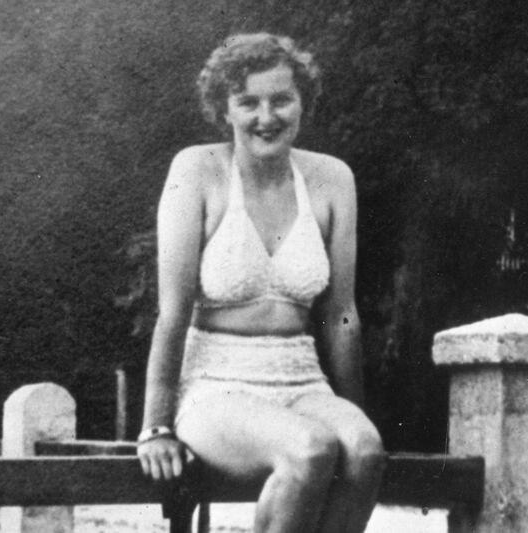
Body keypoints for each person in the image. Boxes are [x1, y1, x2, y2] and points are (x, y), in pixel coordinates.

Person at [136, 32, 386, 533]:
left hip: (302, 380)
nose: (266, 117)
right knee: (310, 450)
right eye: (248, 102)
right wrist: (155, 426)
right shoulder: (197, 170)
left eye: (281, 100)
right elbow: (173, 313)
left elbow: (341, 316)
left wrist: (351, 416)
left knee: (364, 451)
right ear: (223, 109)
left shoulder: (332, 178)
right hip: (216, 386)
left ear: (303, 103)